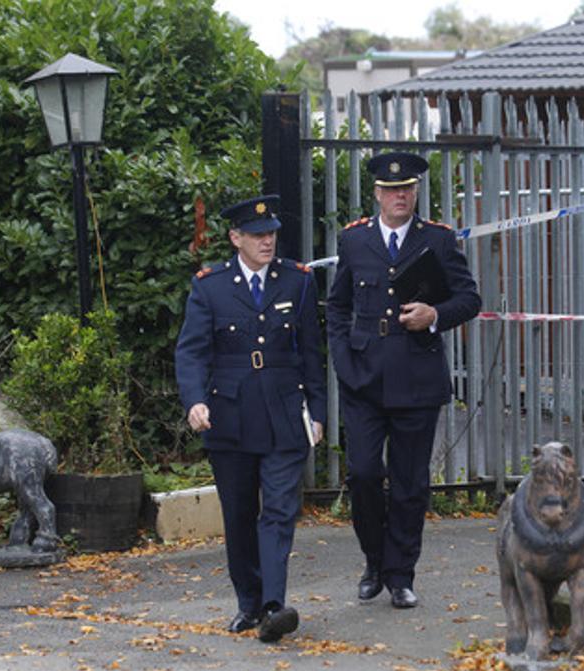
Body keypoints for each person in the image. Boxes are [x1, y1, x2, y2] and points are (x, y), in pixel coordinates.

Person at [326, 151, 481, 609]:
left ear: (416, 192)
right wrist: (342, 358)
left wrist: (435, 315)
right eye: (392, 190)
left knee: (411, 483)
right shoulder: (354, 241)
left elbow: (468, 299)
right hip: (365, 378)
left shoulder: (437, 239)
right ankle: (374, 560)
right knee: (364, 473)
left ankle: (400, 574)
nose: (401, 196)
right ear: (377, 194)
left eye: (408, 189)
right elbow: (336, 306)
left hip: (416, 378)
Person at [174, 194, 327, 642]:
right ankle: (249, 602)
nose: (268, 241)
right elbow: (192, 352)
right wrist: (194, 401)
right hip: (230, 414)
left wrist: (316, 411)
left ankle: (275, 605)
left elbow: (312, 354)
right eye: (258, 235)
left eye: (272, 233)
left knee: (279, 511)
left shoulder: (297, 281)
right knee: (240, 514)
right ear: (235, 237)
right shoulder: (210, 286)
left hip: (283, 412)